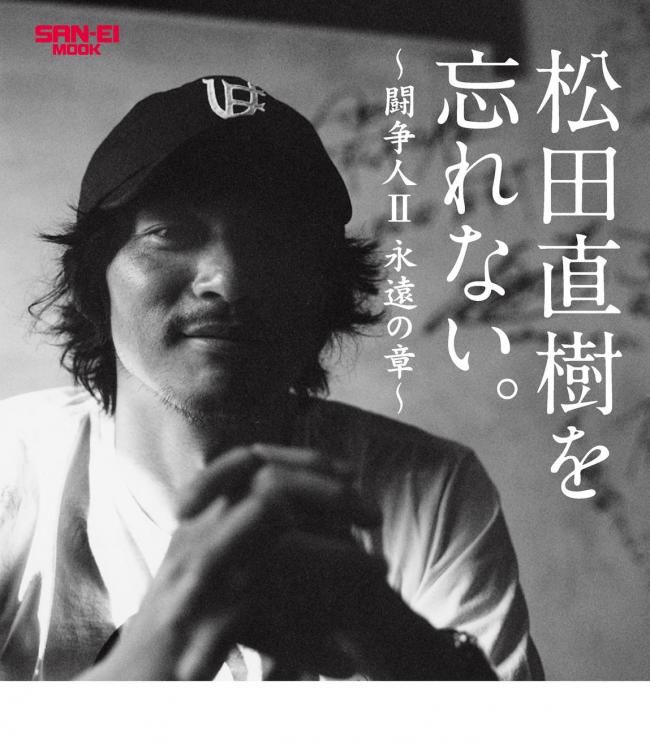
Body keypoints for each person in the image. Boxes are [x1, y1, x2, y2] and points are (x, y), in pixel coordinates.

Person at [0, 75, 543, 681]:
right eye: (170, 234)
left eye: (273, 241)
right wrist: (162, 641)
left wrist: (387, 632)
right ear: (91, 282)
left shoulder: (428, 488)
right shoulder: (12, 468)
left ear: (325, 290)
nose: (228, 281)